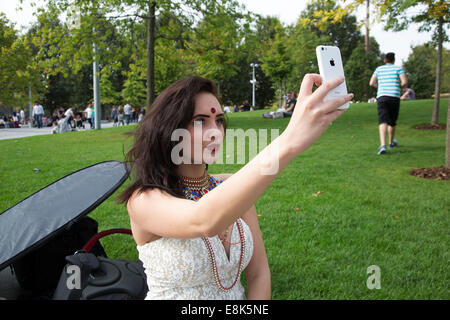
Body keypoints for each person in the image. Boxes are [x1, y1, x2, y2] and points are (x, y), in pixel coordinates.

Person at [117, 75, 352, 300]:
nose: (215, 132)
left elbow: (259, 274)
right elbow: (204, 220)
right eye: (200, 121)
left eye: (218, 120)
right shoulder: (143, 200)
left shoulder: (230, 186)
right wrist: (289, 141)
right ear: (169, 130)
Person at [369, 52, 407, 155]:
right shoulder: (398, 68)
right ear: (394, 60)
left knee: (382, 120)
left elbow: (371, 83)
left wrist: (379, 86)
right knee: (392, 120)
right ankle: (391, 143)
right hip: (394, 96)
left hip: (382, 96)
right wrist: (397, 85)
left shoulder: (379, 69)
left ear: (385, 60)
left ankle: (382, 145)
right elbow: (404, 82)